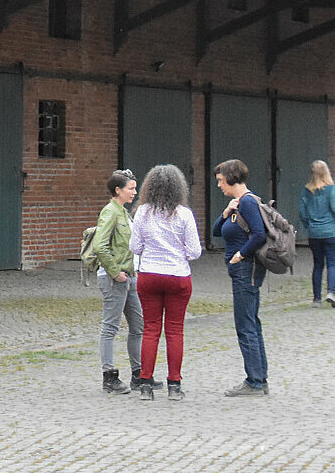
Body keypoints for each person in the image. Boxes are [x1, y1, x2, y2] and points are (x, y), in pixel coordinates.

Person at [128, 164, 201, 402]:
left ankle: (146, 383)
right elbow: (195, 251)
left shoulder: (142, 212)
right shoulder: (184, 214)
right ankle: (174, 384)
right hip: (177, 276)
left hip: (149, 275)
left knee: (150, 329)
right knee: (174, 330)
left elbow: (135, 247)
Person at [214, 158, 270, 397]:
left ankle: (255, 381)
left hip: (245, 270)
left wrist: (239, 255)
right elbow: (217, 232)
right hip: (242, 271)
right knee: (251, 323)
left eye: (220, 180)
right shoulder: (239, 204)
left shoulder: (248, 203)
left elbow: (259, 235)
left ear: (231, 178)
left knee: (245, 325)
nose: (218, 185)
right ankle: (259, 377)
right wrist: (226, 212)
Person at [92, 169, 142, 395]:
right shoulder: (110, 212)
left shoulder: (123, 212)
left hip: (130, 276)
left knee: (138, 325)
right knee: (110, 326)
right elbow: (100, 245)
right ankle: (109, 376)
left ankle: (139, 373)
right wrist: (115, 272)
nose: (134, 192)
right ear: (117, 190)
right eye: (131, 188)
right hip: (115, 278)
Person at [299, 159, 335, 307]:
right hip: (330, 231)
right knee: (332, 263)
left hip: (314, 233)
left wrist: (309, 226)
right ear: (326, 172)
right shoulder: (330, 188)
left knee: (318, 264)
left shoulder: (306, 190)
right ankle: (331, 292)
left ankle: (316, 299)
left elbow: (302, 213)